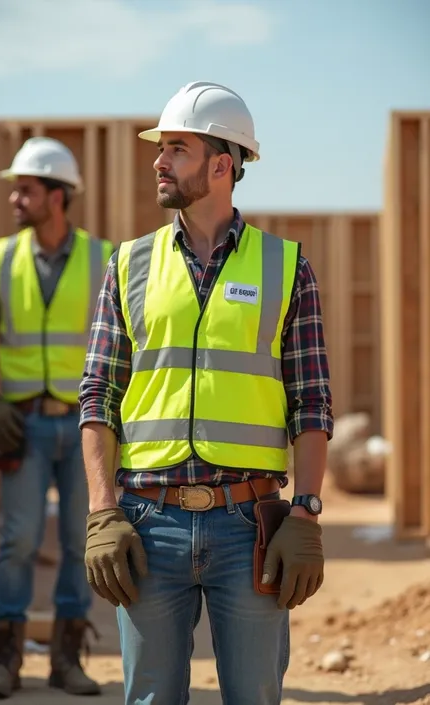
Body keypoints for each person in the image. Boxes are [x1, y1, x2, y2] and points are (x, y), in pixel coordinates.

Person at [79, 81, 334, 705]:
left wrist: (305, 510)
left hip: (249, 527)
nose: (160, 162)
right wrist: (101, 510)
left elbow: (313, 401)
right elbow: (98, 395)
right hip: (147, 520)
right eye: (160, 148)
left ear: (223, 165)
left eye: (177, 149)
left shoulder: (285, 266)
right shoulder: (129, 265)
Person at [0, 136, 113, 699]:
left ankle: (66, 660)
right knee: (19, 540)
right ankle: (4, 662)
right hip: (22, 425)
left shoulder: (105, 259)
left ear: (58, 196)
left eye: (24, 189)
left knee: (82, 541)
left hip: (84, 427)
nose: (14, 199)